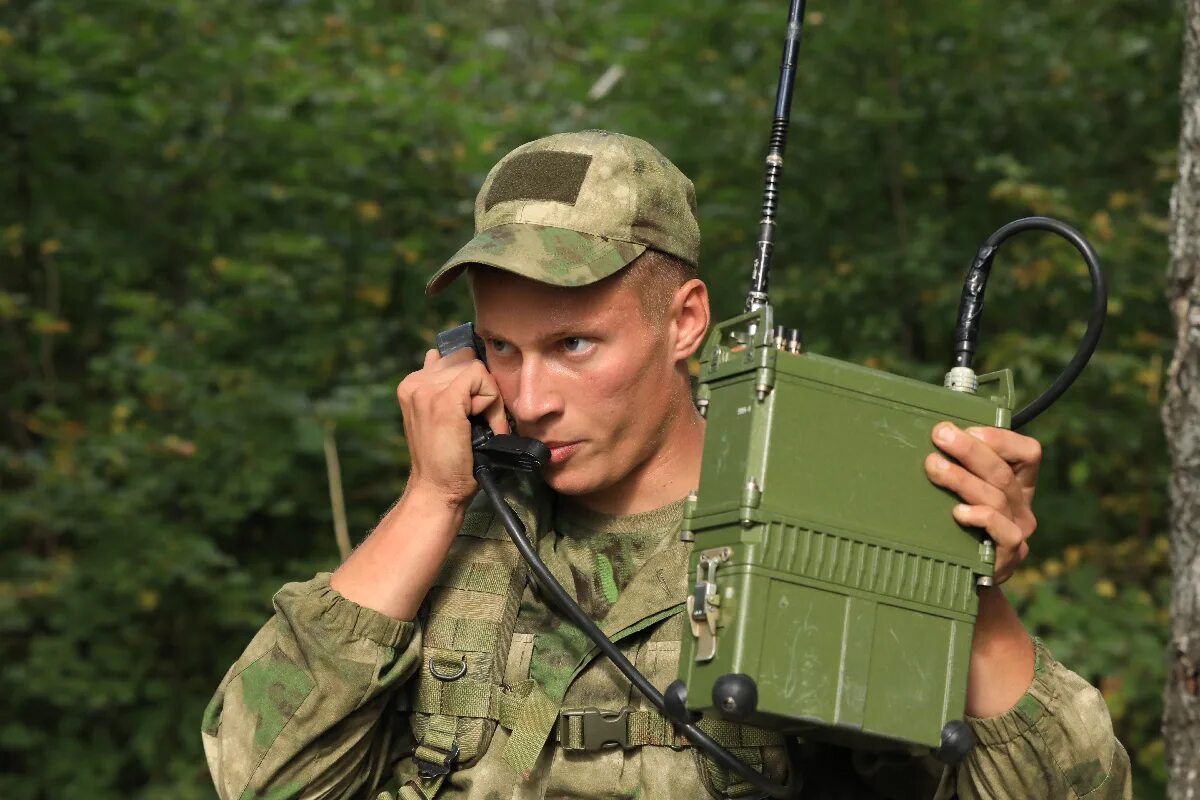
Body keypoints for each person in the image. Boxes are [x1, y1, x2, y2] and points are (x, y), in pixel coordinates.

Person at [202, 130, 1131, 800]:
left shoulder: (813, 520)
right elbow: (262, 774)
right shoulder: (452, 535)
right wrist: (430, 496)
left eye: (573, 344)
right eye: (500, 348)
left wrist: (960, 586)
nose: (528, 398)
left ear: (685, 321)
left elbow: (1069, 787)